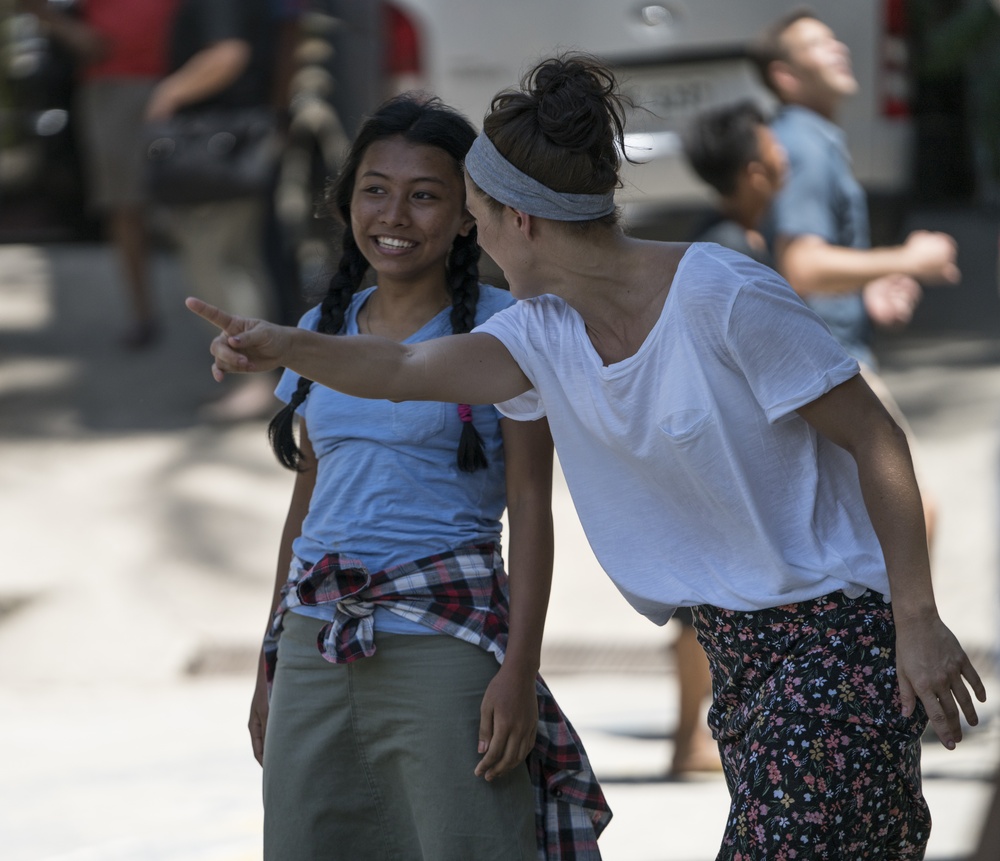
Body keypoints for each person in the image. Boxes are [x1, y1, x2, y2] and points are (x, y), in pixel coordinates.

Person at [188, 54, 986, 859]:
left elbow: (875, 433)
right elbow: (401, 369)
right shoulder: (542, 333)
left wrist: (915, 619)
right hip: (737, 655)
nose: (480, 241)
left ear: (520, 222)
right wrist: (284, 344)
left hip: (832, 641)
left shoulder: (721, 294)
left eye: (477, 216)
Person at [244, 93, 609, 860]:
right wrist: (271, 653)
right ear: (347, 201)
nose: (395, 215)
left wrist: (519, 668)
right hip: (317, 635)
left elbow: (531, 510)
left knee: (469, 841)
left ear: (469, 216)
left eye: (426, 195)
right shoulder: (318, 330)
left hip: (447, 639)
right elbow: (306, 501)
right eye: (375, 188)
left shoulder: (509, 328)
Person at [753, 9, 960, 543]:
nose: (839, 49)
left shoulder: (812, 138)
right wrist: (908, 259)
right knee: (915, 516)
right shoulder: (803, 144)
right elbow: (803, 264)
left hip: (820, 355)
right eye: (818, 46)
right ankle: (909, 630)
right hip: (826, 362)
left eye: (835, 41)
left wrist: (865, 292)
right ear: (786, 76)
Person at [666, 98, 789, 778]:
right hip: (709, 455)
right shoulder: (725, 249)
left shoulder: (722, 238)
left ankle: (689, 737)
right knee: (700, 605)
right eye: (772, 150)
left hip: (703, 451)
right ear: (751, 170)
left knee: (703, 600)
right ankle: (689, 740)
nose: (782, 158)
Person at [148, 0, 280, 420]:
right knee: (238, 264)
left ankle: (254, 383)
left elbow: (227, 55)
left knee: (215, 269)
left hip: (216, 147)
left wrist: (167, 94)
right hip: (235, 144)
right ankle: (260, 377)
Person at [29, 0, 179, 349]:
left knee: (200, 203)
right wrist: (61, 25)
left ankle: (222, 313)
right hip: (113, 88)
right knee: (125, 207)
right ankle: (143, 316)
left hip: (186, 81)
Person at [682, 99, 786, 269]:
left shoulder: (752, 233)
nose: (783, 156)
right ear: (756, 175)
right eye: (775, 148)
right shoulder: (727, 250)